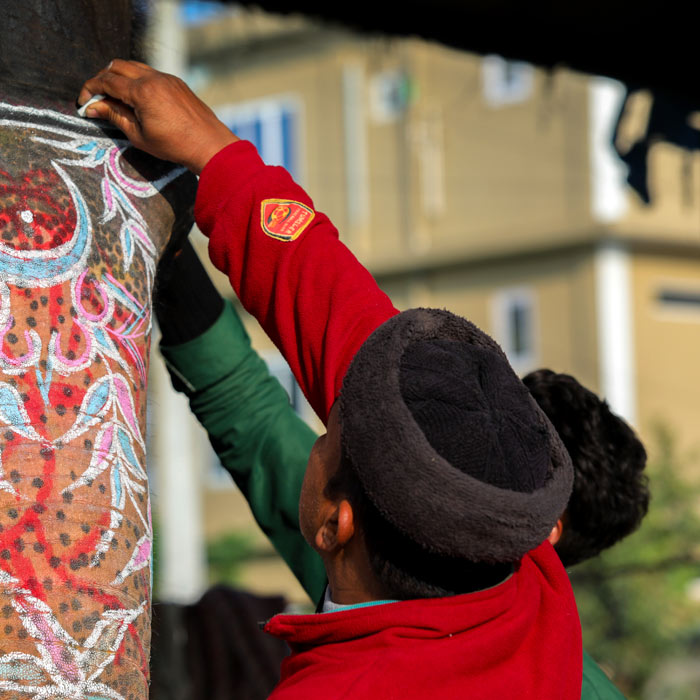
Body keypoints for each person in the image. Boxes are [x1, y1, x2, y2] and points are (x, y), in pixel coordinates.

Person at [79, 60, 582, 698]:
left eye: (327, 426)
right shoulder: (520, 573)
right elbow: (339, 321)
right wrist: (219, 158)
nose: (329, 398)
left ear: (333, 525)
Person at [155, 239, 649, 700]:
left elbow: (253, 414)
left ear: (543, 530)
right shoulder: (425, 559)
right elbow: (256, 412)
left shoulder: (379, 552)